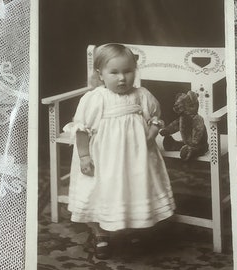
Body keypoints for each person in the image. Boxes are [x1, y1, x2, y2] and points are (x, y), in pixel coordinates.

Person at [63, 43, 175, 259]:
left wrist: (150, 134)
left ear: (135, 70)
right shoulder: (95, 98)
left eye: (128, 71)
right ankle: (100, 233)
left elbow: (155, 118)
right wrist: (84, 156)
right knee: (100, 192)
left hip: (135, 157)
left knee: (134, 189)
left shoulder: (142, 94)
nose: (122, 78)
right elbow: (82, 130)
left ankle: (133, 227)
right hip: (104, 159)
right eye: (114, 72)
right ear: (101, 74)